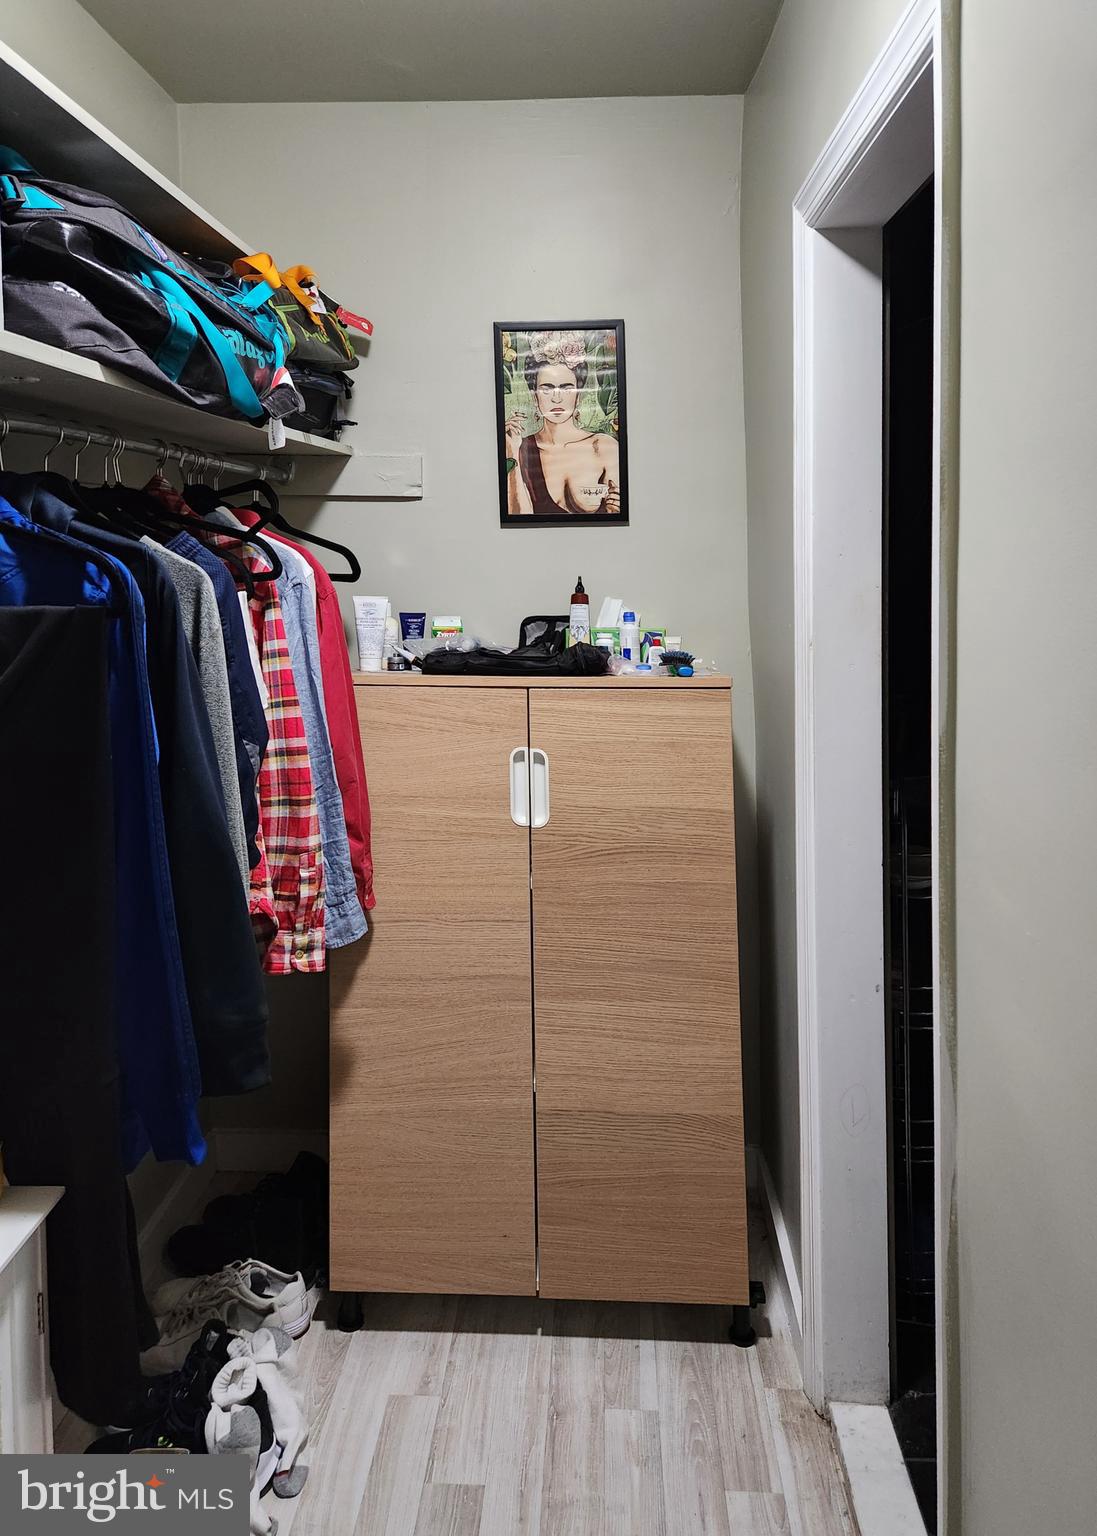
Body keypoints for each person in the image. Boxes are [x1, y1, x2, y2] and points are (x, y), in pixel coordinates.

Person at [504, 333, 621, 517]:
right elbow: (519, 516)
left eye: (566, 388)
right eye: (547, 388)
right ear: (535, 396)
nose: (556, 398)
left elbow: (618, 515)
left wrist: (615, 510)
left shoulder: (603, 447)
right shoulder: (521, 449)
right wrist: (512, 452)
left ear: (579, 395)